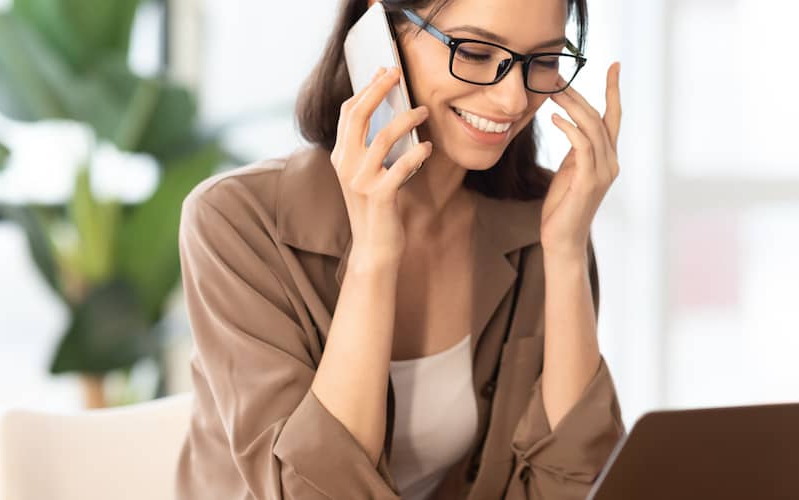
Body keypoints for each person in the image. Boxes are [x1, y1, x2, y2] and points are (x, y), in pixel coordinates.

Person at [174, 0, 623, 498]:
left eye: (542, 61)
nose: (513, 98)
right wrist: (373, 256)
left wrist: (564, 254)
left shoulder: (543, 221)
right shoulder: (235, 222)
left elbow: (576, 487)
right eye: (473, 51)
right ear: (378, 31)